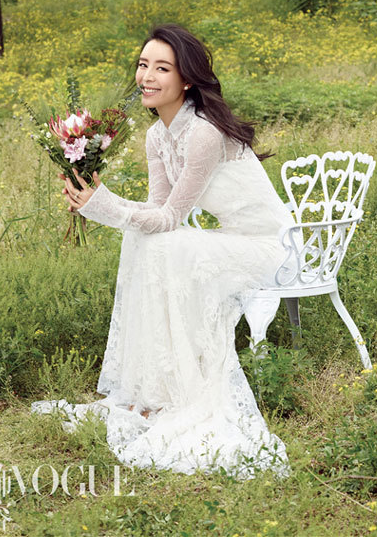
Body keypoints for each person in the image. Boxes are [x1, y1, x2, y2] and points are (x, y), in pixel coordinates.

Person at [31, 24, 293, 480]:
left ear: (187, 79)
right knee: (148, 240)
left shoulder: (204, 133)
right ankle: (153, 390)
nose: (147, 77)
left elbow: (170, 219)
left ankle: (180, 390)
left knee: (169, 245)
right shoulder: (157, 136)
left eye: (162, 68)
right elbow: (157, 209)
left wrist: (104, 207)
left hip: (271, 247)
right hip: (230, 239)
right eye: (142, 65)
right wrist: (98, 200)